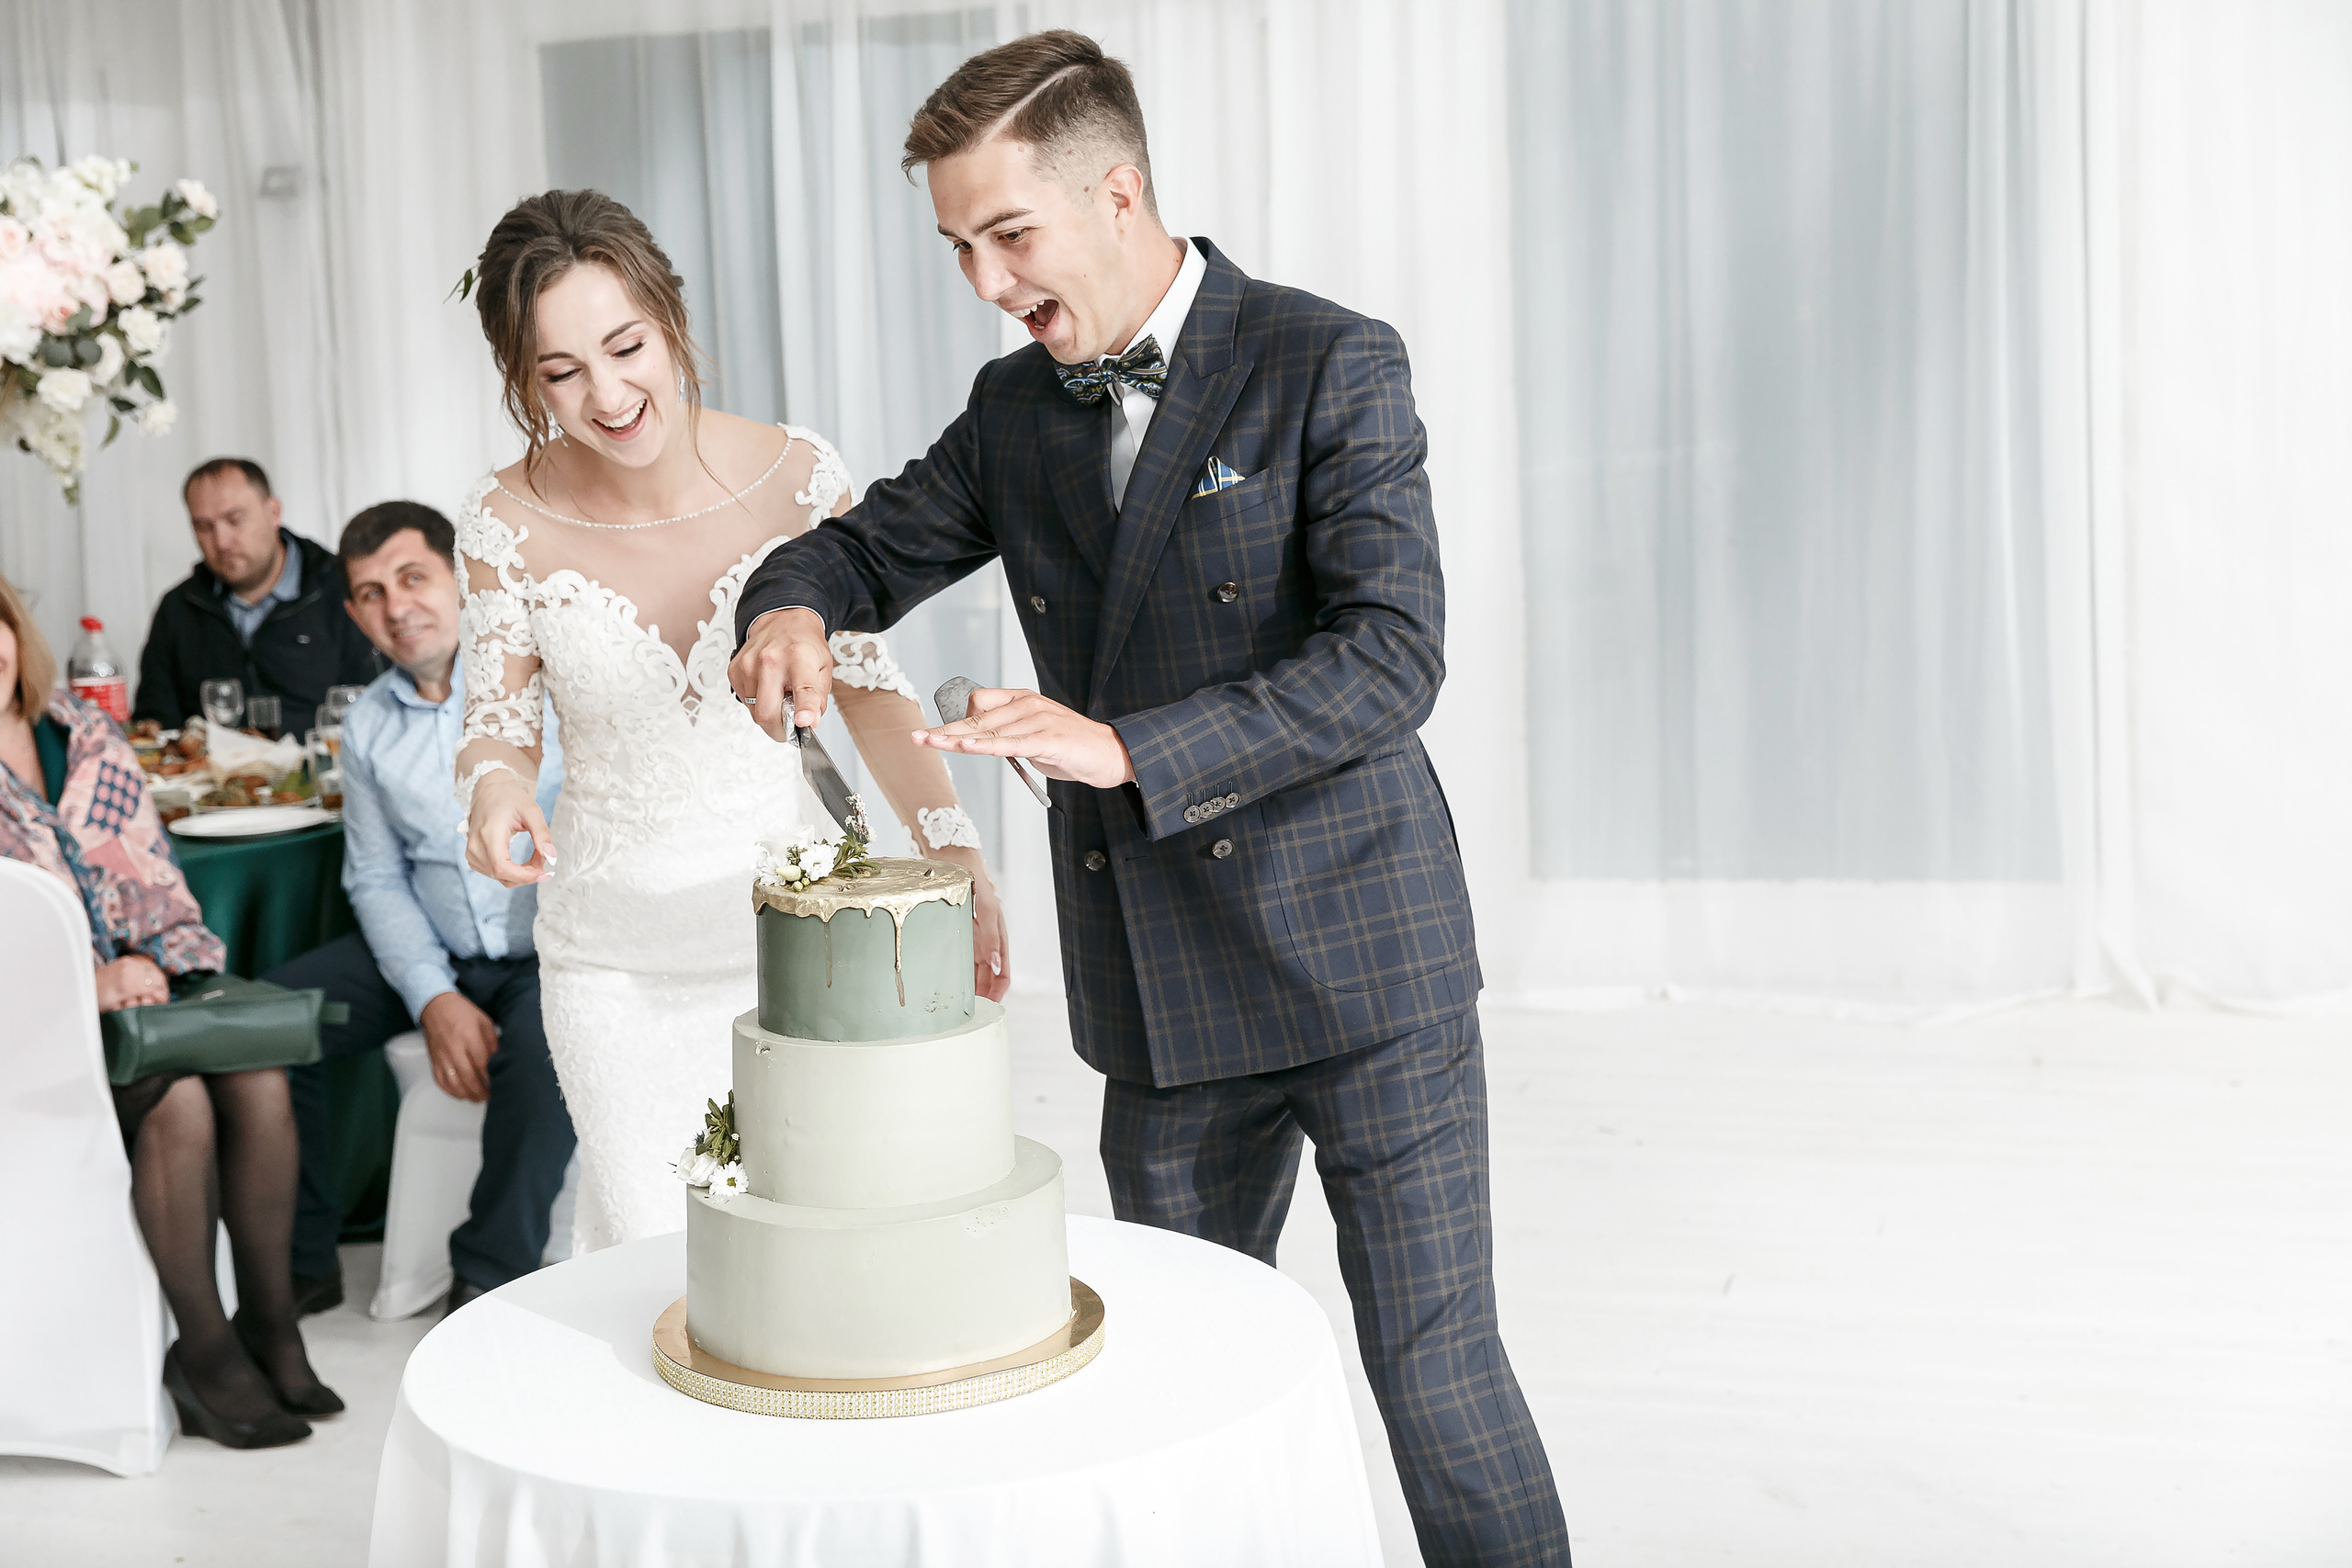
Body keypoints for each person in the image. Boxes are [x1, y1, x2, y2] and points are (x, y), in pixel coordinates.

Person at [729, 32, 1568, 1566]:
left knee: (1436, 1375)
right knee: (1179, 1382)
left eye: (1009, 235)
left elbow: (1393, 660)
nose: (984, 278)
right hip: (1161, 997)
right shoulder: (1012, 411)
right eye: (958, 246)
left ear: (1118, 193)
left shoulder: (1330, 357)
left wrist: (1130, 749)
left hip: (1366, 963)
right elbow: (863, 549)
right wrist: (787, 606)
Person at [453, 190, 1005, 1253]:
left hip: (794, 937)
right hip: (612, 958)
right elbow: (499, 718)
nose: (607, 394)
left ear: (671, 318)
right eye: (560, 373)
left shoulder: (797, 474)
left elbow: (872, 693)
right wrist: (495, 787)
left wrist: (958, 855)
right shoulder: (503, 517)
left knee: (808, 1243)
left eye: (626, 347)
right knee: (662, 1250)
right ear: (522, 380)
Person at [0, 573, 336, 1450]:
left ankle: (271, 1320)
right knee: (181, 1100)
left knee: (259, 1076)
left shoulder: (85, 733)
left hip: (141, 1003)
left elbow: (157, 878)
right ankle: (206, 1347)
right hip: (33, 1039)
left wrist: (151, 957)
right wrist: (86, 982)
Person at [263, 502, 576, 1318]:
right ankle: (305, 1262)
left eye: (412, 578)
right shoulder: (366, 727)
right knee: (272, 1021)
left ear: (460, 578)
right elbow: (373, 877)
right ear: (353, 614)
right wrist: (432, 995)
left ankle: (488, 1277)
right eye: (369, 593)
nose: (395, 607)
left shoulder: (551, 688)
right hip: (433, 943)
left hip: (551, 947)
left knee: (548, 1057)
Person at [133, 457, 380, 737]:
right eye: (203, 527)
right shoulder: (178, 609)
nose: (221, 541)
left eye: (234, 520)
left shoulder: (345, 593)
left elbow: (381, 711)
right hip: (211, 778)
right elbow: (154, 722)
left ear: (273, 512)